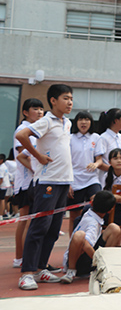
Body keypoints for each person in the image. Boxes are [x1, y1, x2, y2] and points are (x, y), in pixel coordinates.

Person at [14, 84, 74, 290]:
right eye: (65, 98)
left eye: (71, 98)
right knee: (39, 227)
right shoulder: (46, 121)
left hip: (63, 182)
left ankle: (40, 269)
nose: (70, 102)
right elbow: (21, 136)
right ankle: (27, 273)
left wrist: (69, 181)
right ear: (53, 101)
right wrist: (38, 155)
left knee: (53, 230)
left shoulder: (67, 123)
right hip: (47, 182)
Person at [59, 190, 121, 284]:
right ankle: (72, 271)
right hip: (79, 263)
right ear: (110, 210)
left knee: (114, 228)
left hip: (87, 257)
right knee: (79, 236)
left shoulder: (89, 211)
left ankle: (106, 264)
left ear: (91, 203)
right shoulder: (92, 224)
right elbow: (85, 245)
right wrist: (98, 261)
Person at [11, 98, 44, 269]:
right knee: (26, 220)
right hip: (26, 182)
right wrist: (37, 170)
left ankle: (21, 257)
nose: (39, 112)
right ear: (25, 112)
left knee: (27, 220)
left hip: (33, 181)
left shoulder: (36, 129)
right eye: (35, 109)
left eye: (41, 109)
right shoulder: (23, 130)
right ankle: (21, 258)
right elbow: (22, 156)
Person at [67, 111, 103, 233]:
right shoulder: (70, 138)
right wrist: (68, 183)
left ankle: (93, 237)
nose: (84, 122)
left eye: (87, 119)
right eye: (80, 119)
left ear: (91, 122)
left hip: (91, 179)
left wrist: (95, 164)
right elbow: (66, 162)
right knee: (74, 215)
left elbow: (99, 160)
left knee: (98, 204)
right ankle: (73, 241)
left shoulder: (96, 138)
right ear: (76, 122)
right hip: (74, 180)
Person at [96, 108, 121, 183]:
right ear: (116, 121)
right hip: (106, 178)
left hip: (120, 178)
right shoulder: (102, 138)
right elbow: (99, 162)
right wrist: (113, 170)